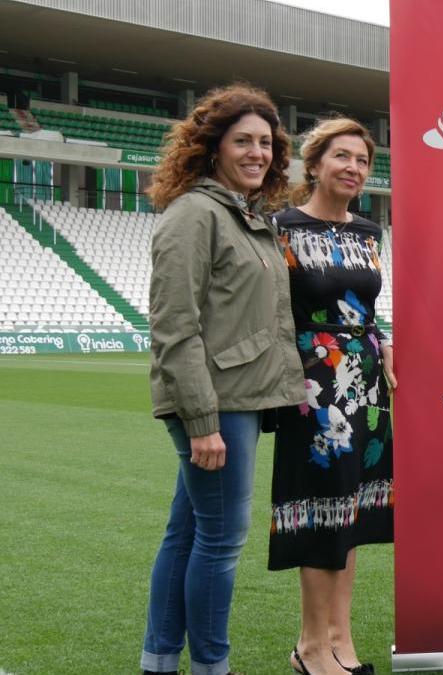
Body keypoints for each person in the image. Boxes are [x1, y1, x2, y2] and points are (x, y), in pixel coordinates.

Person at [142, 84, 305, 675]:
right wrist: (203, 422)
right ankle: (213, 665)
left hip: (236, 401)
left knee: (185, 536)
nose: (257, 152)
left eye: (265, 142)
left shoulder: (243, 215)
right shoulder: (194, 215)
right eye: (243, 141)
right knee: (220, 543)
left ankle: (160, 661)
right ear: (214, 148)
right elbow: (175, 327)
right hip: (215, 406)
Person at [269, 116, 395, 675]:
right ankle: (310, 647)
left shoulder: (370, 233)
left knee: (351, 512)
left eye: (363, 160)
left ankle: (340, 641)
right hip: (312, 385)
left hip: (365, 383)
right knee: (322, 512)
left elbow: (364, 308)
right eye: (342, 156)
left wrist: (384, 341)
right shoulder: (282, 228)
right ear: (314, 163)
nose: (353, 168)